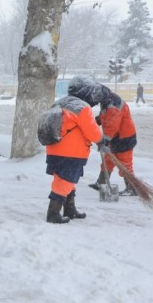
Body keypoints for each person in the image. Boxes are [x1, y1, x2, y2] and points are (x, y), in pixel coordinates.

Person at [44, 76, 108, 224]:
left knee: (66, 179)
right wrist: (100, 140)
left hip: (54, 149)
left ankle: (69, 209)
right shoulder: (81, 107)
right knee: (65, 181)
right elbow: (91, 130)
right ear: (84, 92)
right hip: (71, 152)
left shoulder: (59, 103)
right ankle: (53, 213)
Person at [90, 84, 138, 196]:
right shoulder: (106, 101)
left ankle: (132, 188)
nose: (98, 102)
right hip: (114, 138)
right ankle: (100, 182)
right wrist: (96, 121)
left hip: (124, 138)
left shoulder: (113, 106)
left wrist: (105, 141)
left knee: (125, 164)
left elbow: (112, 125)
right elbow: (105, 116)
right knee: (108, 160)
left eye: (99, 100)